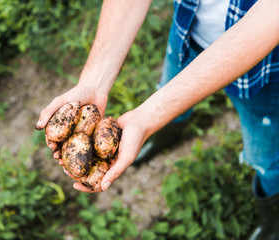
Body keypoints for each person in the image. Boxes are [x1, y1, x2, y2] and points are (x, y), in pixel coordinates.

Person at [36, 0, 279, 238]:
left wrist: (149, 116)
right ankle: (169, 132)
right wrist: (94, 82)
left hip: (269, 64)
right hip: (188, 29)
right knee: (169, 89)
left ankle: (273, 216)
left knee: (266, 154)